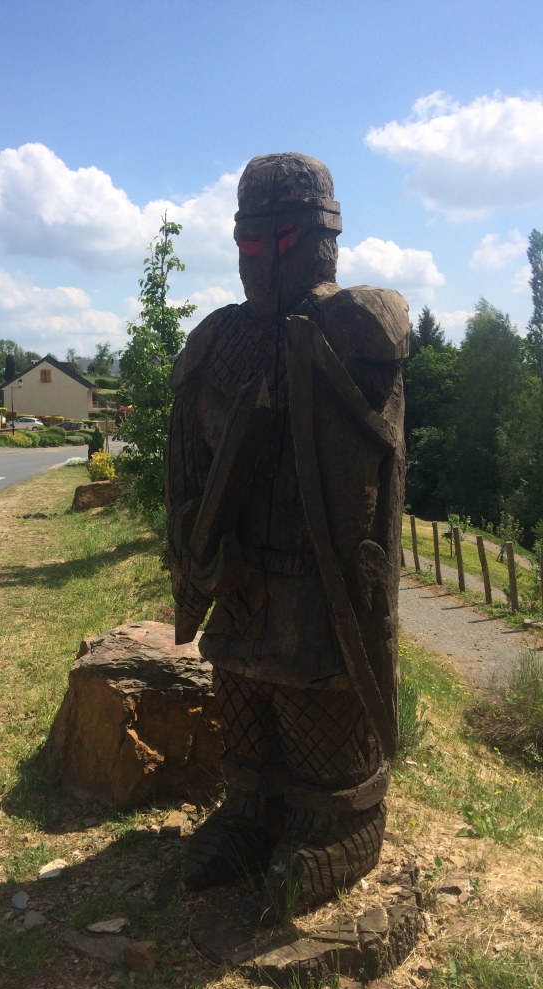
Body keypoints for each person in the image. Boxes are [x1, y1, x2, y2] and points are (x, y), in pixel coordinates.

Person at [165, 153, 408, 916]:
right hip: (240, 576)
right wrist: (193, 548)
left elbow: (371, 457)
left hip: (317, 581)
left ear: (322, 239)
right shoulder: (216, 342)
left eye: (282, 240)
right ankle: (248, 813)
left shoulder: (354, 327)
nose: (264, 260)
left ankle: (336, 825)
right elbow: (186, 464)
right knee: (242, 695)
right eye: (248, 243)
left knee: (316, 700)